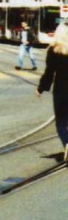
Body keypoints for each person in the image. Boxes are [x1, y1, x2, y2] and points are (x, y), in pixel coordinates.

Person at [36, 20, 68, 163]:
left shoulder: (53, 50)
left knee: (61, 123)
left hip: (61, 90)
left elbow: (49, 73)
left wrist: (41, 88)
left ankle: (67, 143)